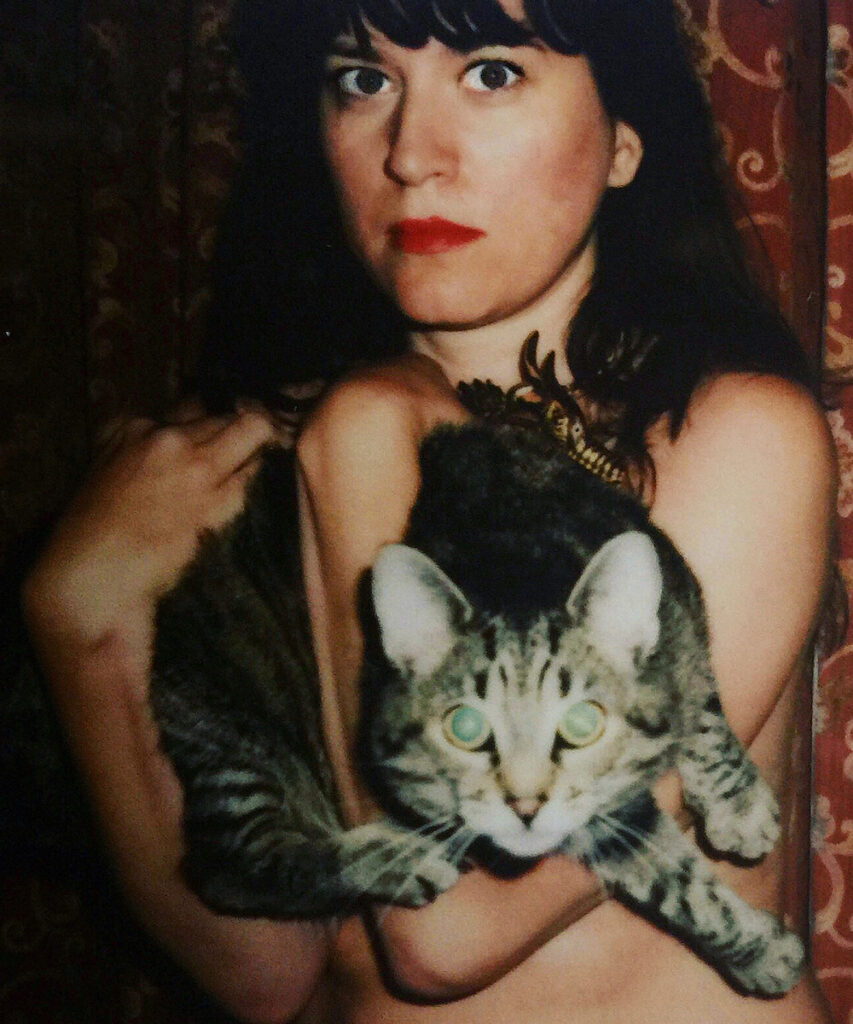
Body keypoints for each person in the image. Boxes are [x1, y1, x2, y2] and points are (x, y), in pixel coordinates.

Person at [21, 0, 837, 1022]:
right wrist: (78, 620)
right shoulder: (265, 449)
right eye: (362, 80)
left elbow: (439, 935)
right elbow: (262, 971)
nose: (409, 154)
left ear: (624, 138)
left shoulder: (728, 436)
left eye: (491, 73)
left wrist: (367, 431)